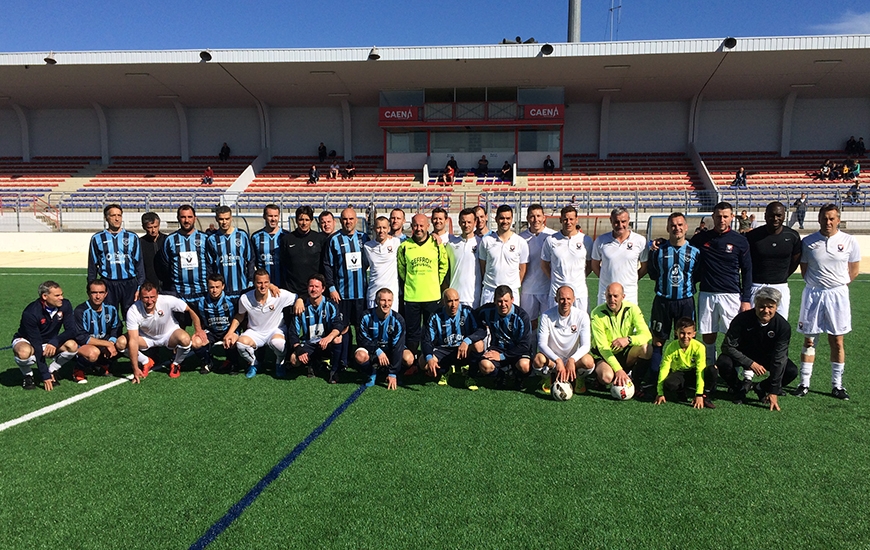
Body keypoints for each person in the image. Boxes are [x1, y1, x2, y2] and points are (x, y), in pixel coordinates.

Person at [794, 204, 860, 400]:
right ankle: (804, 383)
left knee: (837, 341)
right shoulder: (808, 242)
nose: (828, 222)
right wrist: (818, 285)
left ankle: (837, 385)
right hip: (814, 295)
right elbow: (804, 270)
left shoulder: (849, 241)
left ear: (838, 220)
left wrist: (837, 285)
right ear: (819, 219)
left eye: (832, 218)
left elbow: (854, 270)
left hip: (838, 295)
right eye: (824, 218)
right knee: (809, 340)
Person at [689, 201, 752, 367]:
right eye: (718, 216)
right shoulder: (701, 239)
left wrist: (746, 299)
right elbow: (683, 247)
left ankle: (734, 373)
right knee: (708, 334)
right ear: (713, 217)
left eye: (725, 216)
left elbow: (747, 271)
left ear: (732, 217)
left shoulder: (740, 241)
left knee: (733, 336)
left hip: (731, 295)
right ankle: (710, 369)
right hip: (707, 294)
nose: (722, 220)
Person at [717, 288, 798, 410]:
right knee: (723, 362)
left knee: (791, 371)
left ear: (776, 307)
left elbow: (779, 358)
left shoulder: (783, 326)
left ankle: (761, 387)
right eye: (761, 306)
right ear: (755, 305)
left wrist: (773, 390)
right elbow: (727, 346)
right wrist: (750, 363)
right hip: (743, 354)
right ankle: (739, 387)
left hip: (766, 357)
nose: (766, 310)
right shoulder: (742, 319)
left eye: (770, 307)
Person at [646, 212, 700, 379]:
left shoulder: (695, 252)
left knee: (686, 340)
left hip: (685, 302)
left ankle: (684, 378)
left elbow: (697, 275)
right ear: (667, 228)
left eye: (680, 225)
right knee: (658, 341)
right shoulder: (658, 251)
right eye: (673, 225)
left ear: (686, 227)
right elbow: (653, 274)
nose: (677, 228)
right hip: (662, 301)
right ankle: (655, 378)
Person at [121, 282, 205, 382]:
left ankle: (176, 364)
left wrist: (198, 329)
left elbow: (189, 309)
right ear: (139, 297)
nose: (149, 301)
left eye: (152, 297)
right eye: (146, 297)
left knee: (185, 339)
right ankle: (146, 361)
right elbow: (133, 340)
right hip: (146, 338)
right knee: (121, 343)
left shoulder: (167, 300)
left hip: (169, 335)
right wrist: (135, 369)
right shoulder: (133, 310)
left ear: (157, 295)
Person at [223, 269, 297, 379]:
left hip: (275, 330)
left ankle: (279, 363)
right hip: (255, 332)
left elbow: (296, 297)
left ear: (270, 282)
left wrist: (299, 300)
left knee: (279, 343)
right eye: (259, 283)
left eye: (266, 282)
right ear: (254, 283)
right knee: (241, 344)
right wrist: (230, 333)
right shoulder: (245, 298)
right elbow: (240, 315)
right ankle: (254, 363)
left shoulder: (278, 295)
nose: (263, 286)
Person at [397, 213, 449, 357]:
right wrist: (411, 282)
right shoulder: (405, 246)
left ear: (428, 226)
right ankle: (412, 361)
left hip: (432, 296)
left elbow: (443, 265)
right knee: (412, 332)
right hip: (412, 296)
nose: (418, 228)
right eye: (415, 225)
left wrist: (434, 282)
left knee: (431, 330)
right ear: (411, 226)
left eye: (421, 225)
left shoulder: (436, 244)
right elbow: (402, 268)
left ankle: (430, 359)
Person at [12, 281, 79, 390]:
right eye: (57, 295)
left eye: (61, 294)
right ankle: (28, 375)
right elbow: (37, 344)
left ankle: (52, 370)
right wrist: (44, 375)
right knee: (24, 352)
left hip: (50, 340)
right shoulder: (31, 313)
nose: (61, 298)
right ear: (44, 296)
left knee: (72, 346)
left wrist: (55, 341)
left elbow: (71, 330)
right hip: (28, 341)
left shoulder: (65, 305)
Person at [323, 207, 368, 369]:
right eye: (345, 219)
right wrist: (332, 288)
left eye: (351, 219)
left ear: (356, 220)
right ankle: (344, 359)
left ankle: (362, 359)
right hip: (341, 293)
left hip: (361, 293)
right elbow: (328, 266)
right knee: (343, 328)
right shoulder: (334, 239)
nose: (348, 222)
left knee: (361, 326)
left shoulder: (364, 237)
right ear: (340, 221)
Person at [589, 282, 653, 393]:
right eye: (609, 296)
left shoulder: (632, 309)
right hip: (604, 355)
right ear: (605, 296)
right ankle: (599, 379)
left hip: (624, 353)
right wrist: (618, 370)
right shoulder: (596, 313)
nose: (612, 299)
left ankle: (636, 382)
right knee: (606, 377)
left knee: (647, 349)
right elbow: (603, 348)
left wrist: (628, 339)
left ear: (623, 297)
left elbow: (646, 335)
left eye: (615, 296)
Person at [533, 286, 595, 394]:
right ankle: (548, 377)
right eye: (562, 299)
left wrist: (572, 359)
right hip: (553, 361)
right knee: (538, 359)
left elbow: (586, 345)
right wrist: (557, 360)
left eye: (568, 299)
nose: (565, 302)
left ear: (573, 299)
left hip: (572, 361)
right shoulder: (546, 316)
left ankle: (579, 377)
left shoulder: (582, 316)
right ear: (556, 299)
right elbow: (541, 344)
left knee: (589, 361)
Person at [469, 285, 533, 389]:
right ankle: (500, 376)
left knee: (525, 366)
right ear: (494, 301)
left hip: (517, 350)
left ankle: (518, 377)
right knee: (485, 365)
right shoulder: (487, 310)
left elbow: (525, 346)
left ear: (512, 300)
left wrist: (503, 356)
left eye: (506, 301)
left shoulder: (522, 316)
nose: (503, 304)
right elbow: (471, 316)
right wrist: (478, 332)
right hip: (497, 348)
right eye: (499, 301)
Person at [88, 204, 145, 316]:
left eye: (119, 215)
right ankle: (111, 334)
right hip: (108, 283)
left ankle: (131, 334)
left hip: (129, 284)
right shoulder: (97, 238)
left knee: (131, 316)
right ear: (106, 218)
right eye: (113, 215)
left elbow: (139, 264)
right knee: (108, 316)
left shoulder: (132, 237)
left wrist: (140, 287)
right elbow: (92, 266)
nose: (117, 218)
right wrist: (92, 287)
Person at [288, 274, 346, 382]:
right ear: (307, 288)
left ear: (323, 289)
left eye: (317, 286)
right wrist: (299, 349)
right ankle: (313, 362)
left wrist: (328, 338)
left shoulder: (330, 305)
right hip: (309, 343)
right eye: (311, 286)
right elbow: (293, 332)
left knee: (338, 338)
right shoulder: (301, 307)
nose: (313, 289)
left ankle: (334, 371)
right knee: (294, 360)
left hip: (325, 343)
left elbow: (338, 324)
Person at [747, 202, 801, 318]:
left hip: (780, 285)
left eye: (779, 215)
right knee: (754, 324)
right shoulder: (753, 236)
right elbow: (746, 261)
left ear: (784, 216)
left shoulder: (792, 236)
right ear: (765, 216)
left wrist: (782, 275)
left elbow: (795, 260)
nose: (775, 219)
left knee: (780, 323)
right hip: (756, 285)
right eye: (772, 215)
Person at [421, 288, 482, 387]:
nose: (454, 305)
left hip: (462, 349)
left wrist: (466, 341)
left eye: (456, 300)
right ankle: (445, 369)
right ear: (443, 302)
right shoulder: (436, 316)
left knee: (479, 345)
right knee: (423, 362)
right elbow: (426, 340)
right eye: (449, 301)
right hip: (444, 350)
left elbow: (481, 331)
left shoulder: (468, 312)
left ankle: (471, 375)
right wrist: (430, 359)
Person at [355, 288, 414, 389]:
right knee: (360, 356)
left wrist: (393, 372)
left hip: (390, 351)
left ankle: (390, 371)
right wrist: (377, 351)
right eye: (383, 300)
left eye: (389, 300)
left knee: (409, 359)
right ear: (377, 301)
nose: (386, 304)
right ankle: (371, 372)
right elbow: (362, 339)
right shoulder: (365, 316)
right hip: (373, 351)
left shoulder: (398, 320)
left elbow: (397, 346)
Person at [653, 317, 716, 409]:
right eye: (682, 333)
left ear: (694, 334)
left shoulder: (699, 347)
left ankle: (705, 396)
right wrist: (660, 393)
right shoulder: (671, 347)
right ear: (676, 333)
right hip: (679, 373)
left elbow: (700, 370)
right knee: (669, 383)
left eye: (689, 333)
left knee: (712, 370)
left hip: (693, 372)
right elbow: (664, 368)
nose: (685, 337)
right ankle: (680, 391)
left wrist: (699, 394)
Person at [591, 206, 648, 307]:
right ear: (611, 221)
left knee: (628, 322)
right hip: (607, 295)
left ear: (628, 221)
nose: (620, 225)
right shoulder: (601, 241)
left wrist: (632, 279)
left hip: (629, 295)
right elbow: (594, 265)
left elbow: (644, 267)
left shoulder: (640, 241)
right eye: (616, 222)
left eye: (623, 221)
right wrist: (606, 279)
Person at [541, 205, 593, 313]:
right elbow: (544, 264)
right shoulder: (551, 240)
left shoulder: (586, 240)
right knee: (556, 326)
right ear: (560, 220)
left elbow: (590, 264)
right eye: (565, 219)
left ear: (576, 220)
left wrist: (579, 278)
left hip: (579, 293)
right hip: (557, 292)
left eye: (571, 219)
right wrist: (555, 278)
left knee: (581, 325)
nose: (568, 222)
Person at [73, 279, 123, 383]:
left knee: (122, 344)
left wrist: (112, 342)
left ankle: (102, 363)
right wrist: (107, 344)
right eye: (94, 292)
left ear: (106, 294)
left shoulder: (111, 308)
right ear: (88, 293)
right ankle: (78, 369)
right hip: (84, 345)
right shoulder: (81, 311)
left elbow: (116, 327)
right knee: (93, 353)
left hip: (105, 342)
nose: (98, 296)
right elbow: (81, 337)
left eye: (101, 292)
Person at [478, 205, 529, 306]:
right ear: (496, 219)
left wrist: (513, 284)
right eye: (502, 218)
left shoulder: (520, 242)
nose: (505, 221)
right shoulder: (486, 241)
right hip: (490, 290)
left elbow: (522, 269)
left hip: (511, 291)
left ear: (512, 219)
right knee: (487, 321)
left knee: (510, 321)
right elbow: (483, 266)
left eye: (508, 218)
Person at [189, 273, 240, 375]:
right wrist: (198, 330)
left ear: (223, 286)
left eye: (217, 287)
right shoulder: (200, 299)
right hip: (211, 331)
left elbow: (251, 291)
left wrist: (270, 286)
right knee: (195, 342)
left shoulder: (232, 297)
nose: (214, 290)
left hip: (228, 330)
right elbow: (183, 302)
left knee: (232, 340)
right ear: (207, 287)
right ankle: (207, 361)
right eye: (211, 287)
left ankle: (233, 362)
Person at [280, 206, 329, 300]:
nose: (304, 223)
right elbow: (283, 265)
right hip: (292, 290)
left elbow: (324, 265)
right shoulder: (287, 239)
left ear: (311, 221)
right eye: (301, 219)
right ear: (297, 220)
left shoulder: (320, 239)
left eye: (307, 219)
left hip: (313, 290)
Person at [206, 206, 254, 300]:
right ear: (216, 219)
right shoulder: (212, 239)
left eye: (227, 219)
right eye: (221, 219)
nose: (224, 222)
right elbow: (209, 266)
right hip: (221, 292)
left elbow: (250, 260)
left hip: (242, 288)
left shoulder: (242, 235)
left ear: (231, 218)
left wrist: (251, 280)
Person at [519, 204, 556, 324]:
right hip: (528, 288)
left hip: (548, 288)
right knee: (530, 323)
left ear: (544, 217)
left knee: (549, 323)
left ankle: (544, 344)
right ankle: (531, 343)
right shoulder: (520, 238)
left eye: (538, 216)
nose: (536, 219)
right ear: (527, 218)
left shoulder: (553, 236)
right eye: (532, 216)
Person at [163, 204, 209, 300]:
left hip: (202, 291)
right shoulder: (170, 239)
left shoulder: (205, 238)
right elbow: (166, 264)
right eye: (183, 217)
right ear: (178, 218)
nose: (186, 220)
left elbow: (211, 263)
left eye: (189, 217)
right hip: (179, 292)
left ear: (195, 218)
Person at [445, 208, 483, 308]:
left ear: (475, 222)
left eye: (469, 222)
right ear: (459, 223)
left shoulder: (481, 243)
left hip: (474, 297)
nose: (466, 225)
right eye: (463, 222)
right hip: (455, 297)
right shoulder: (451, 244)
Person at [363, 216, 401, 312]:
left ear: (388, 228)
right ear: (374, 228)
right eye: (379, 227)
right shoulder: (367, 246)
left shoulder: (396, 242)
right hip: (373, 293)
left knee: (391, 324)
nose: (381, 231)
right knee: (373, 323)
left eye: (384, 228)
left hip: (391, 295)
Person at [250, 204, 287, 288]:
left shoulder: (286, 236)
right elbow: (252, 261)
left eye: (276, 216)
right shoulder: (256, 237)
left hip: (283, 284)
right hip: (263, 286)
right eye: (270, 216)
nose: (273, 219)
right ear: (264, 216)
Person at [140, 212, 167, 290]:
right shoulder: (140, 243)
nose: (153, 230)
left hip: (167, 285)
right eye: (150, 227)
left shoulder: (167, 240)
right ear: (144, 227)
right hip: (149, 286)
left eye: (156, 226)